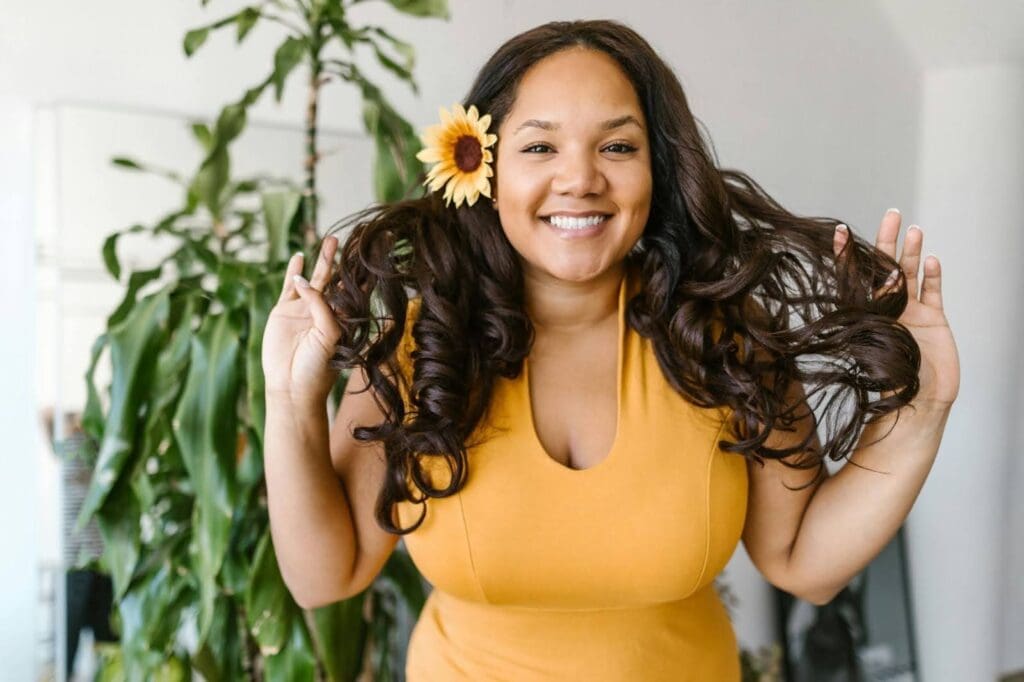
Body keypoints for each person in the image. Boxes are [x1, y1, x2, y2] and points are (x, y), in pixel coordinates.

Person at [260, 19, 960, 681]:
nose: (580, 179)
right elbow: (327, 577)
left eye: (617, 146)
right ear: (481, 168)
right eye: (539, 146)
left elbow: (805, 562)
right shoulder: (423, 346)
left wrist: (924, 408)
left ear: (659, 170)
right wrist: (290, 401)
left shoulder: (724, 338)